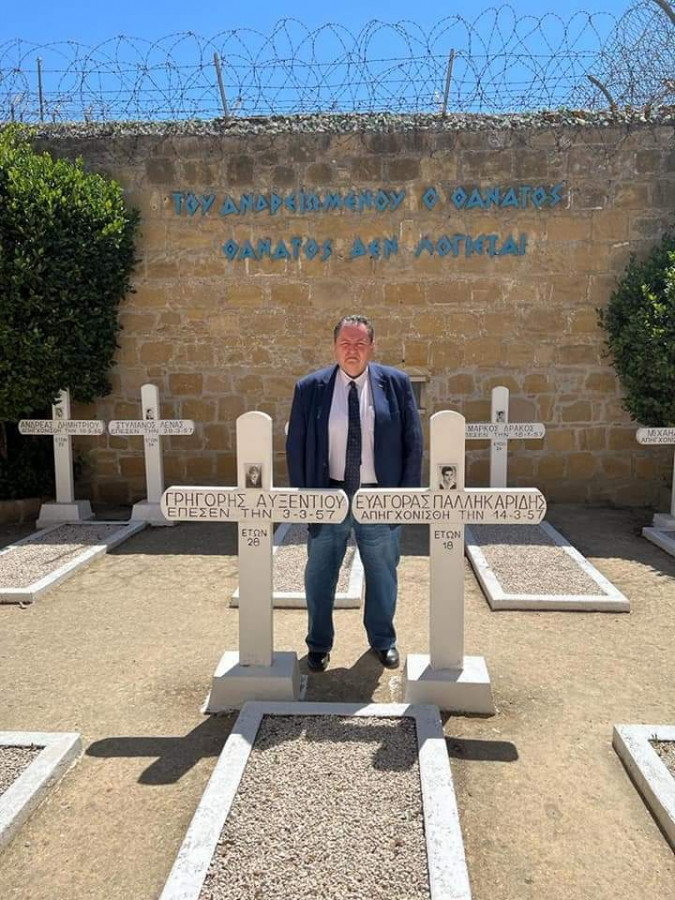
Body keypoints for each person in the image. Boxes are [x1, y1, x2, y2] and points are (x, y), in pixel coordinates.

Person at [286, 314, 423, 672]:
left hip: (379, 496)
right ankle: (318, 644)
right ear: (334, 347)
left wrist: (404, 500)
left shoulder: (396, 384)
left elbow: (413, 443)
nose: (352, 350)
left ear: (372, 347)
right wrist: (304, 501)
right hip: (328, 496)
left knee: (382, 572)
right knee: (319, 573)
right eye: (345, 343)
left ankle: (382, 640)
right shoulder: (310, 388)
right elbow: (296, 447)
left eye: (360, 343)